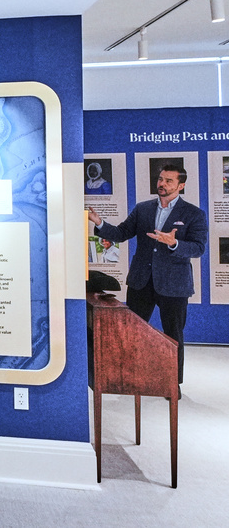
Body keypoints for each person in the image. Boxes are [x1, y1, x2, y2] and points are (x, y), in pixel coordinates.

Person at [87, 164, 207, 394]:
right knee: (131, 333)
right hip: (141, 281)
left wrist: (173, 243)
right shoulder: (143, 209)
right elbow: (121, 233)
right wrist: (99, 222)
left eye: (168, 181)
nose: (162, 184)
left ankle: (173, 383)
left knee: (173, 335)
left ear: (181, 185)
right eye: (161, 179)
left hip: (174, 284)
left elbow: (199, 248)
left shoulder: (193, 214)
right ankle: (131, 377)